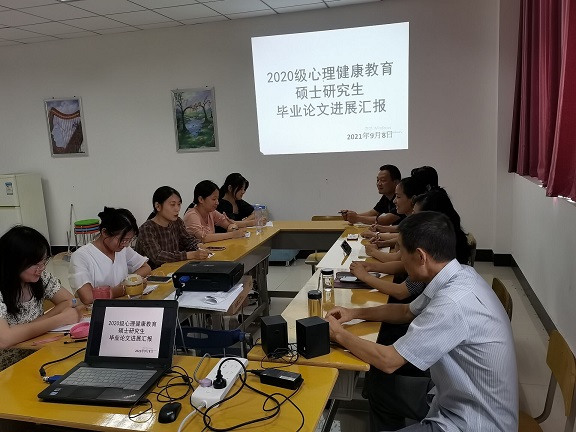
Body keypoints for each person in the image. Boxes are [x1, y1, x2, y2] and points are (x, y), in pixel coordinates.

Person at [326, 212, 518, 431]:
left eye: (401, 252)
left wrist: (338, 334)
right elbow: (406, 311)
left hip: (473, 422)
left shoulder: (452, 303)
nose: (400, 259)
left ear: (420, 256)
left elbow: (389, 361)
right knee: (379, 389)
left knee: (382, 372)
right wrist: (353, 313)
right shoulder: (459, 274)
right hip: (453, 394)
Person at [0, 226, 83, 369]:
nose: (42, 268)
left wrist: (40, 321)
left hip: (36, 356)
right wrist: (60, 319)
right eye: (35, 264)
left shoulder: (41, 278)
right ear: (13, 262)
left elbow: (70, 301)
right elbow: (5, 339)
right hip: (6, 369)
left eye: (44, 261)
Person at [69, 207, 152, 305]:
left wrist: (131, 281)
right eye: (123, 240)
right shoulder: (81, 256)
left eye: (129, 240)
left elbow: (145, 268)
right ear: (104, 232)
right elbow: (88, 297)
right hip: (95, 310)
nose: (126, 244)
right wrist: (126, 288)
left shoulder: (122, 249)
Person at [135, 186, 209, 269]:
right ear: (158, 206)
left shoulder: (177, 222)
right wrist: (191, 255)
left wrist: (199, 246)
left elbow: (188, 241)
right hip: (154, 273)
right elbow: (158, 256)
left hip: (173, 268)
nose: (177, 209)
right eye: (172, 205)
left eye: (179, 204)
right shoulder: (147, 229)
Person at [184, 180, 251, 243]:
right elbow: (204, 238)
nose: (217, 203)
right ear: (201, 199)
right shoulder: (192, 215)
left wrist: (232, 228)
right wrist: (232, 234)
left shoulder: (211, 212)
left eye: (217, 199)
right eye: (214, 199)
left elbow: (228, 224)